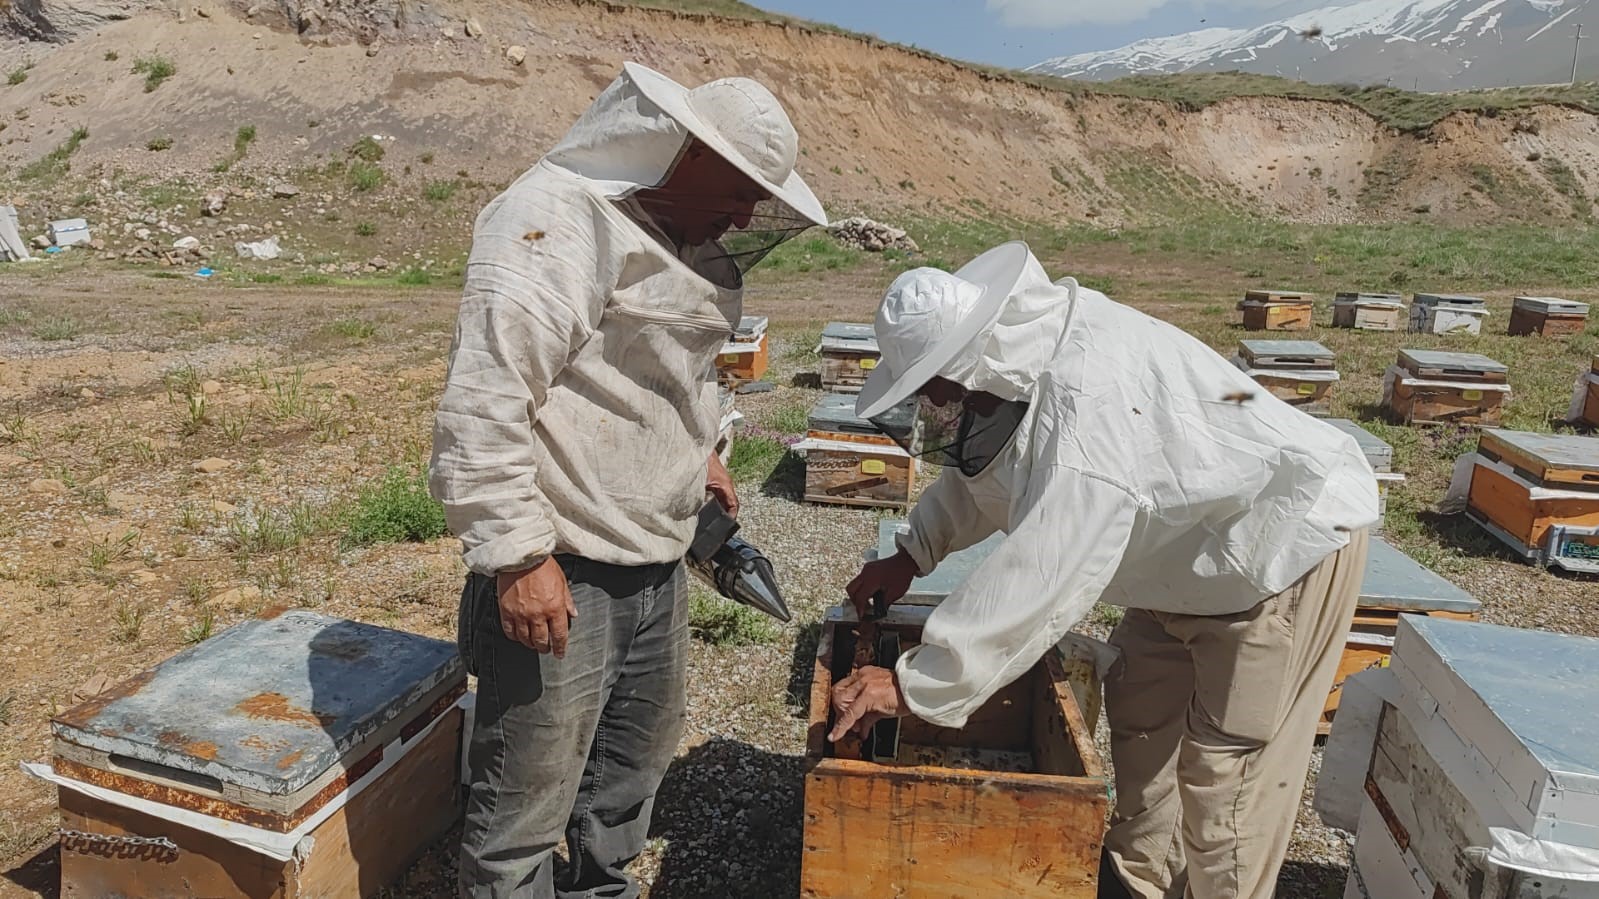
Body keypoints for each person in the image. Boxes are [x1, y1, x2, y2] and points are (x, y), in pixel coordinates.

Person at [831, 242, 1378, 899]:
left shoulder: (1088, 416)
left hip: (1274, 550)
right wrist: (913, 549)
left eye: (933, 394)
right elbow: (996, 469)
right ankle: (1135, 884)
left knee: (1222, 782)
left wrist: (915, 683)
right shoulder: (1017, 367)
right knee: (1143, 726)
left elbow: (1045, 571)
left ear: (969, 366)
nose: (930, 412)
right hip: (1180, 551)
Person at [430, 62, 825, 899]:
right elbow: (486, 397)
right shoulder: (553, 220)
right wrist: (516, 556)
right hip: (562, 570)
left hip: (655, 562)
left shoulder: (677, 241)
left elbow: (657, 376)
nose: (748, 212)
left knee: (628, 773)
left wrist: (700, 451)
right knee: (524, 800)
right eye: (740, 186)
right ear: (682, 153)